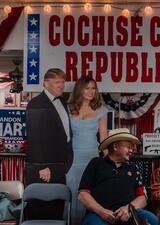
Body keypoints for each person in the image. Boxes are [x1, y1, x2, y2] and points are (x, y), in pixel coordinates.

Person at [78, 128, 159, 225]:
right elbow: (82, 195)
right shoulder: (96, 163)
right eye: (128, 147)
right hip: (99, 214)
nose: (131, 150)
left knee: (153, 220)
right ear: (115, 146)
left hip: (128, 213)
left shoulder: (133, 167)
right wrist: (102, 212)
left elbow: (143, 198)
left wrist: (128, 208)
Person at [25, 68, 73, 219]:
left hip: (59, 165)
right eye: (57, 82)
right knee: (41, 209)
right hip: (44, 167)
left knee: (56, 208)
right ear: (46, 84)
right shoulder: (36, 103)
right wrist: (42, 166)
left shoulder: (63, 103)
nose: (61, 86)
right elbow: (34, 138)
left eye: (63, 82)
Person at [67, 76, 108, 225]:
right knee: (72, 194)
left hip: (92, 157)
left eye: (93, 88)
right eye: (87, 88)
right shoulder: (68, 108)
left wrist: (108, 161)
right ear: (79, 89)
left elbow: (104, 137)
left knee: (90, 194)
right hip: (72, 159)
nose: (91, 91)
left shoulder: (102, 110)